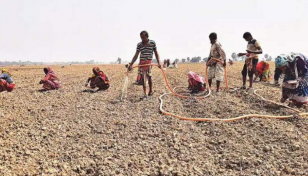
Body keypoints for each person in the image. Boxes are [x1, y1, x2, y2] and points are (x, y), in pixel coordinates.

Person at [127, 31, 161, 99]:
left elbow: (156, 53)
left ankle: (150, 91)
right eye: (141, 38)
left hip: (149, 63)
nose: (142, 39)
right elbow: (136, 55)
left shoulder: (152, 43)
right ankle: (145, 93)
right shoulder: (139, 45)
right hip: (141, 63)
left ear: (147, 37)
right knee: (143, 78)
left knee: (149, 76)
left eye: (143, 37)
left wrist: (159, 62)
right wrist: (131, 64)